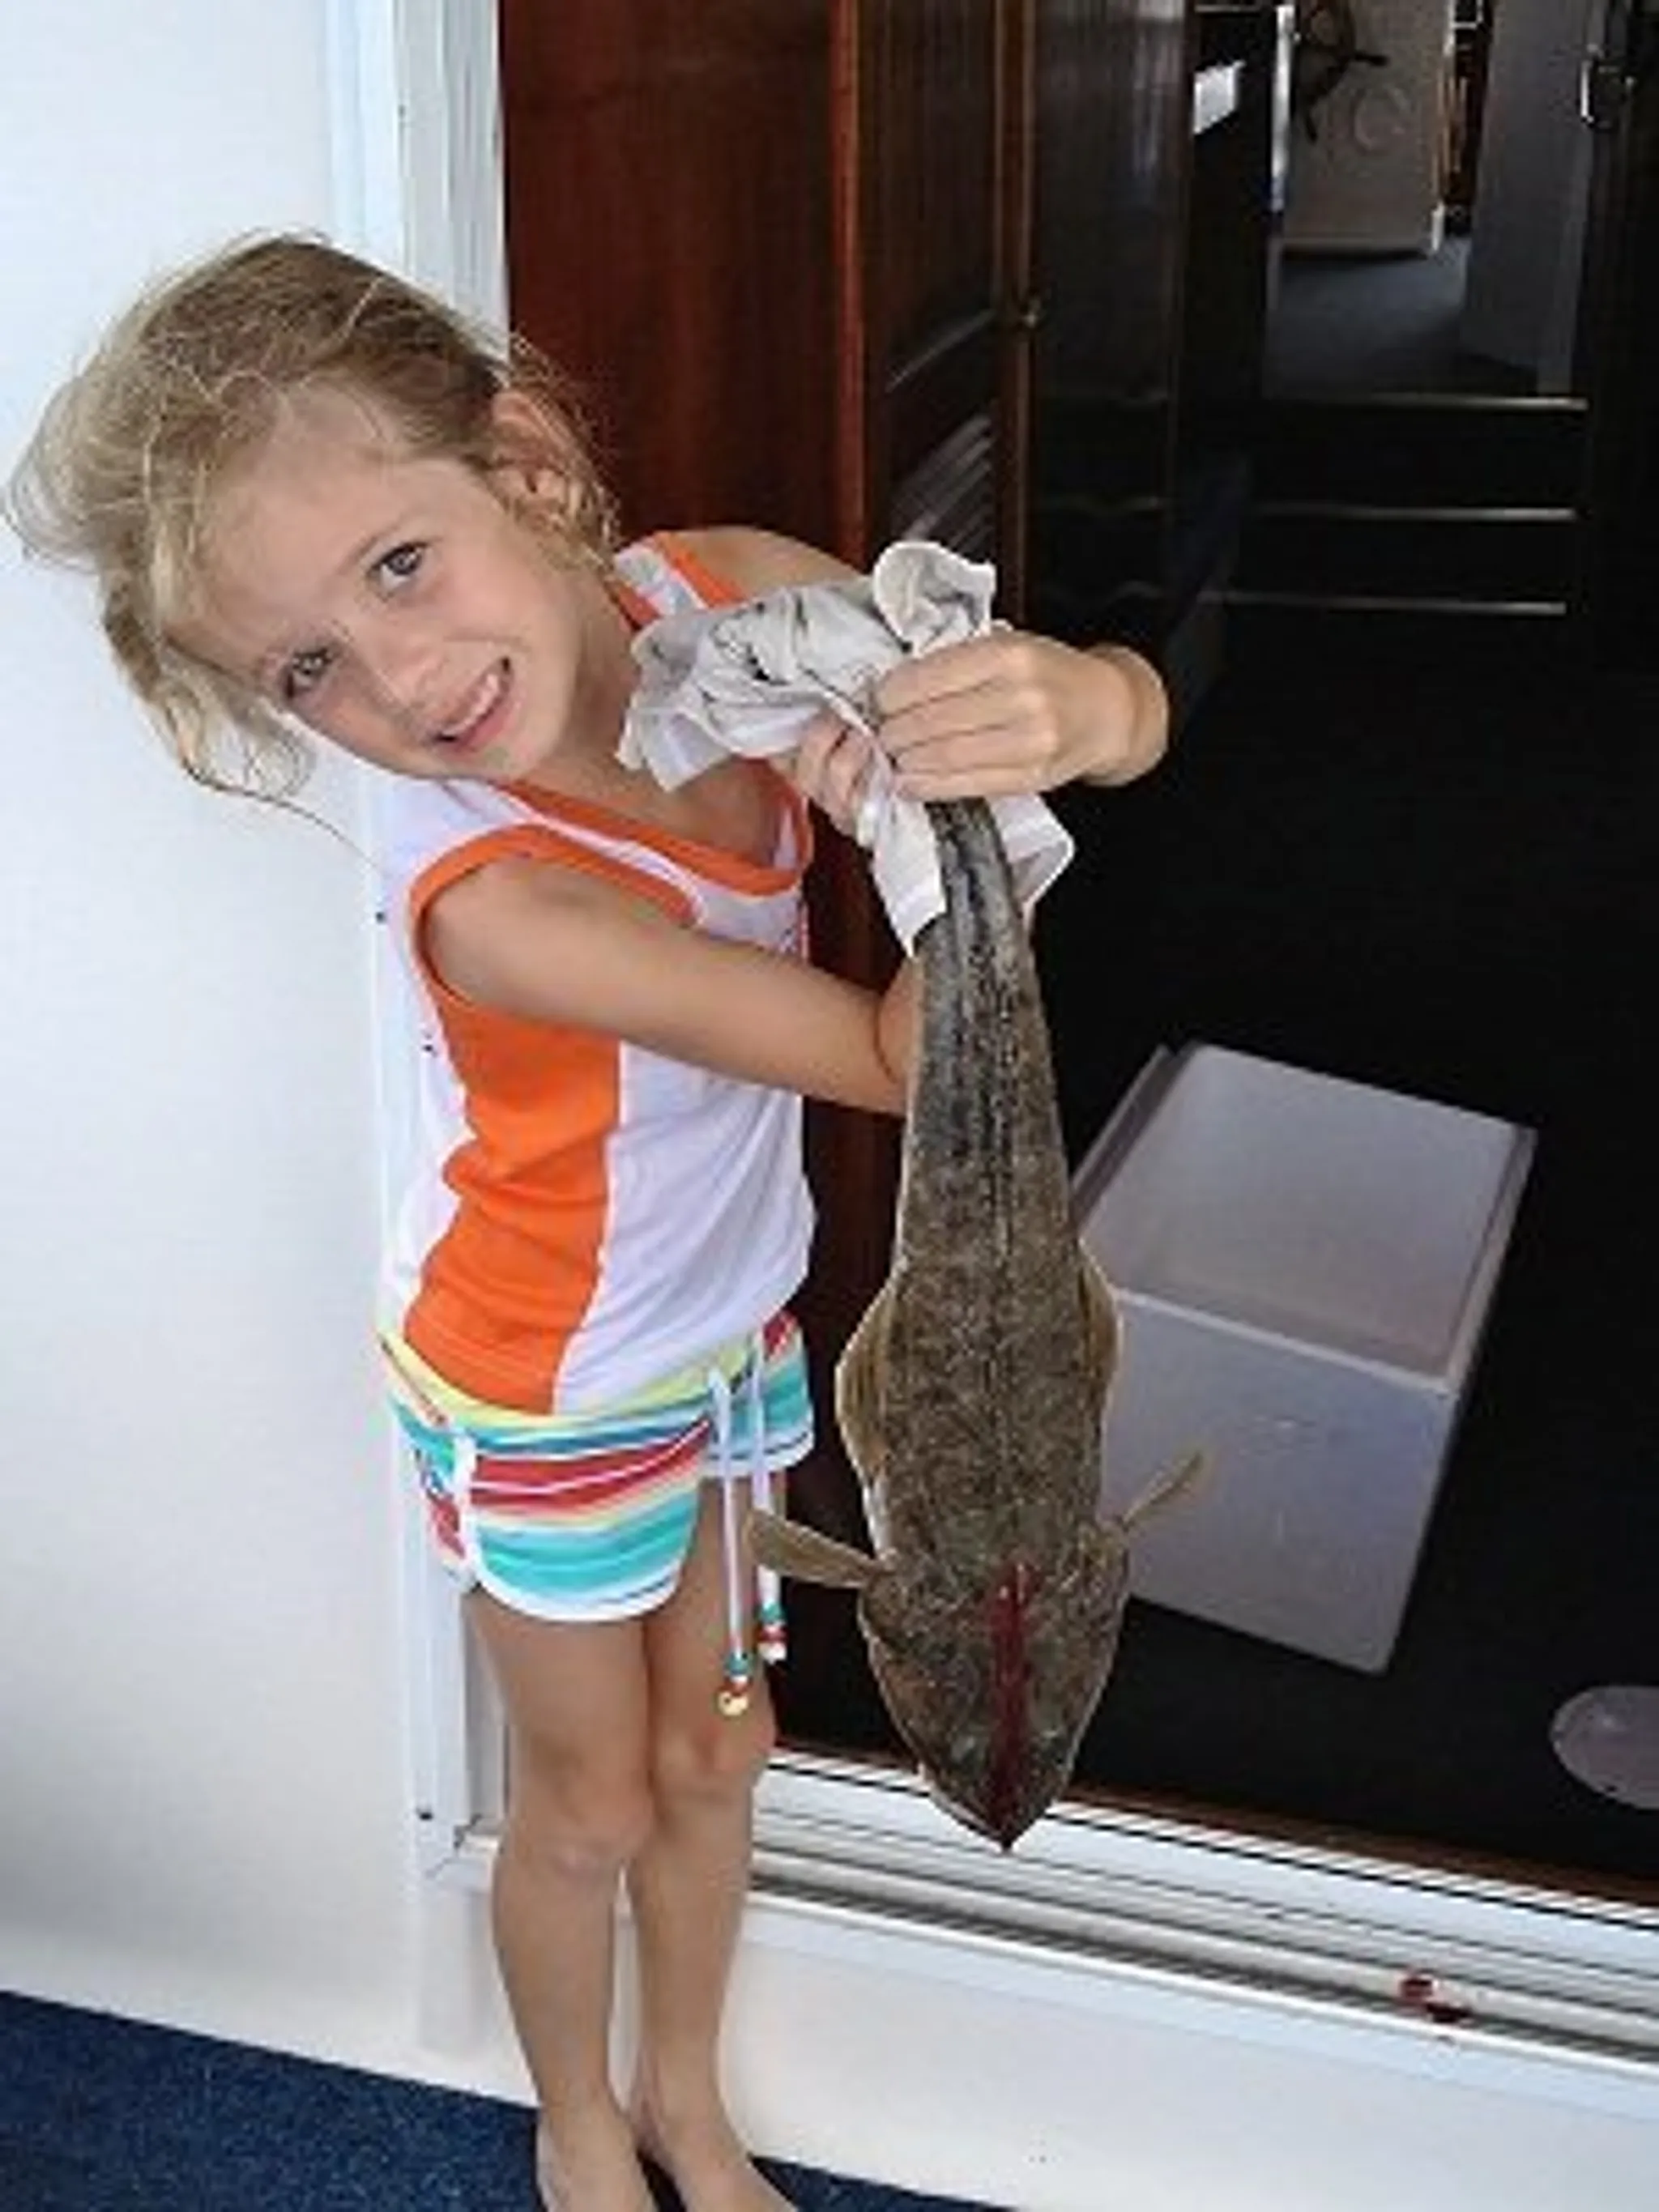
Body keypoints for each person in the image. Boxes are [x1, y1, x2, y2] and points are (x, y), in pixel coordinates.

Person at [4, 234, 1168, 2212]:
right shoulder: (505, 906)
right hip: (546, 1387)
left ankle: (688, 2106)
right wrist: (930, 829)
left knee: (724, 1766)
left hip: (733, 1335)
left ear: (529, 472)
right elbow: (908, 1056)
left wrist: (1060, 707)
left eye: (399, 567)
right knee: (594, 1791)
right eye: (306, 672)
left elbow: (1118, 709)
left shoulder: (725, 589)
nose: (400, 682)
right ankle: (569, 2125)